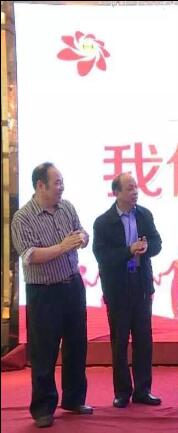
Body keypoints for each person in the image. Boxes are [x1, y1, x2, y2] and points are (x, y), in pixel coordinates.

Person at [10, 162, 93, 428]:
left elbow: (82, 232)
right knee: (44, 351)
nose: (61, 187)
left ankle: (74, 399)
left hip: (72, 286)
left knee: (77, 345)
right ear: (40, 186)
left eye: (62, 182)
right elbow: (29, 255)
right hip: (44, 292)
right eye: (56, 183)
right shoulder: (22, 217)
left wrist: (82, 238)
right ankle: (43, 409)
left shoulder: (66, 207)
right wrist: (62, 247)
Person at [93, 173, 163, 409]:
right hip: (118, 290)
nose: (135, 192)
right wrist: (128, 251)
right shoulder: (103, 222)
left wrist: (147, 247)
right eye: (130, 188)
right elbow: (103, 256)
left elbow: (158, 243)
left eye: (136, 187)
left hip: (141, 286)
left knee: (144, 340)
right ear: (117, 193)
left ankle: (143, 390)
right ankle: (122, 391)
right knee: (120, 342)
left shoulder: (144, 215)